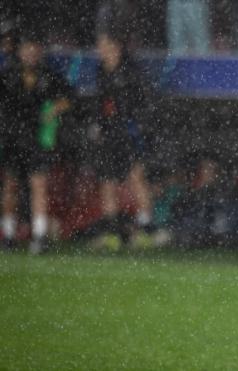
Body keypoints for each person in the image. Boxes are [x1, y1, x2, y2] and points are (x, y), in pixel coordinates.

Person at [0, 32, 73, 253]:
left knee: (38, 186)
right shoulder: (8, 75)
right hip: (12, 138)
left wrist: (52, 112)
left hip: (36, 139)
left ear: (39, 52)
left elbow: (68, 99)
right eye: (27, 49)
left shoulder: (49, 76)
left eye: (34, 49)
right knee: (11, 186)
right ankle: (9, 236)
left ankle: (39, 237)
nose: (31, 54)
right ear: (20, 51)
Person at [87, 32, 154, 250]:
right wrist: (98, 125)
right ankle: (112, 232)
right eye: (100, 46)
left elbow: (143, 101)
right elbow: (100, 103)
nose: (101, 51)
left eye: (105, 45)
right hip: (108, 134)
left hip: (128, 132)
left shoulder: (130, 72)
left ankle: (145, 229)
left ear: (115, 47)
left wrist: (138, 126)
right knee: (107, 182)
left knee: (136, 177)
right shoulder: (101, 72)